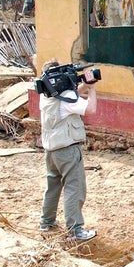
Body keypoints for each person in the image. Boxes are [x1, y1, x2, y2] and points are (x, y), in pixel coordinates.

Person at [38, 60, 98, 242]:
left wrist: (82, 86)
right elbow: (91, 109)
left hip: (51, 150)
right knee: (74, 188)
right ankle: (75, 230)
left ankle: (46, 222)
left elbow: (68, 96)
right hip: (68, 150)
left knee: (53, 186)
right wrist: (92, 89)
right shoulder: (65, 100)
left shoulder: (47, 96)